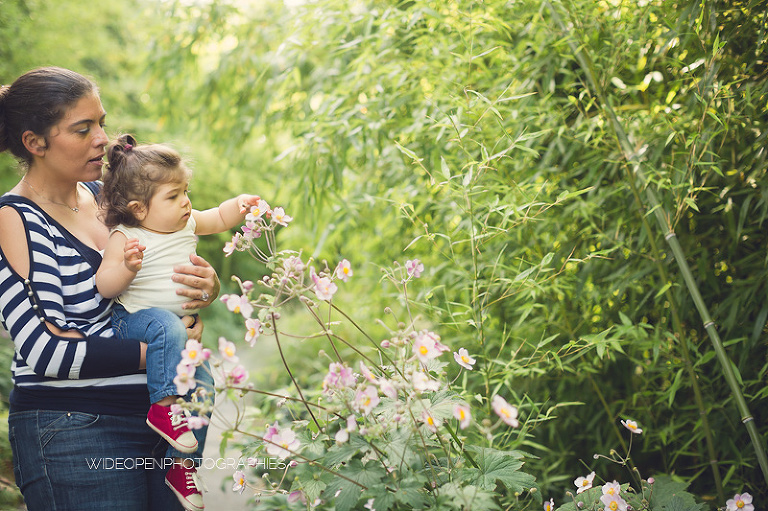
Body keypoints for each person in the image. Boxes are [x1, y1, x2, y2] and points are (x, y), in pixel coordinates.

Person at [0, 66, 220, 510]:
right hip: (77, 429)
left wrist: (203, 287)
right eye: (83, 129)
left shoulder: (114, 198)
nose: (103, 138)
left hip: (168, 421)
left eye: (101, 122)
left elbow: (158, 280)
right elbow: (46, 350)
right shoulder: (15, 219)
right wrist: (166, 349)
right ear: (34, 143)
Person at [95, 134, 259, 510]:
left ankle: (181, 467)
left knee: (204, 389)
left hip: (178, 333)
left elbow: (217, 218)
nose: (186, 202)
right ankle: (163, 406)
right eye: (173, 196)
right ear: (138, 209)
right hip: (133, 322)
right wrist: (126, 267)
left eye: (185, 192)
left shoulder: (186, 224)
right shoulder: (126, 236)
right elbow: (104, 286)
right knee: (167, 327)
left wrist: (239, 205)